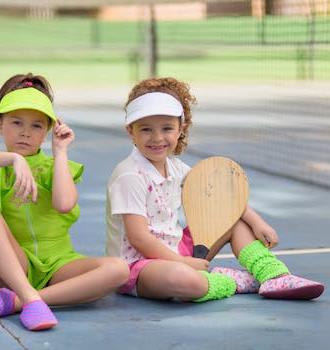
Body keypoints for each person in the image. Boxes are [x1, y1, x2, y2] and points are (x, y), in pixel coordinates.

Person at [105, 76, 324, 303]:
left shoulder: (176, 168)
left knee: (233, 220)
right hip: (139, 267)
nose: (157, 137)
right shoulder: (129, 175)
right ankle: (236, 281)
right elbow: (139, 239)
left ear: (181, 129)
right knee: (183, 281)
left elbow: (219, 197)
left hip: (177, 250)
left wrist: (256, 221)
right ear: (131, 131)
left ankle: (272, 275)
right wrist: (184, 263)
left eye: (167, 128)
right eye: (146, 129)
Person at [0, 73, 129, 331]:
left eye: (36, 126)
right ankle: (27, 294)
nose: (25, 132)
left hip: (59, 265)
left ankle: (20, 301)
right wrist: (14, 160)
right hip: (13, 267)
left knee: (118, 269)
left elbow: (64, 204)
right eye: (16, 122)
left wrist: (60, 151)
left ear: (48, 130)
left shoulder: (56, 166)